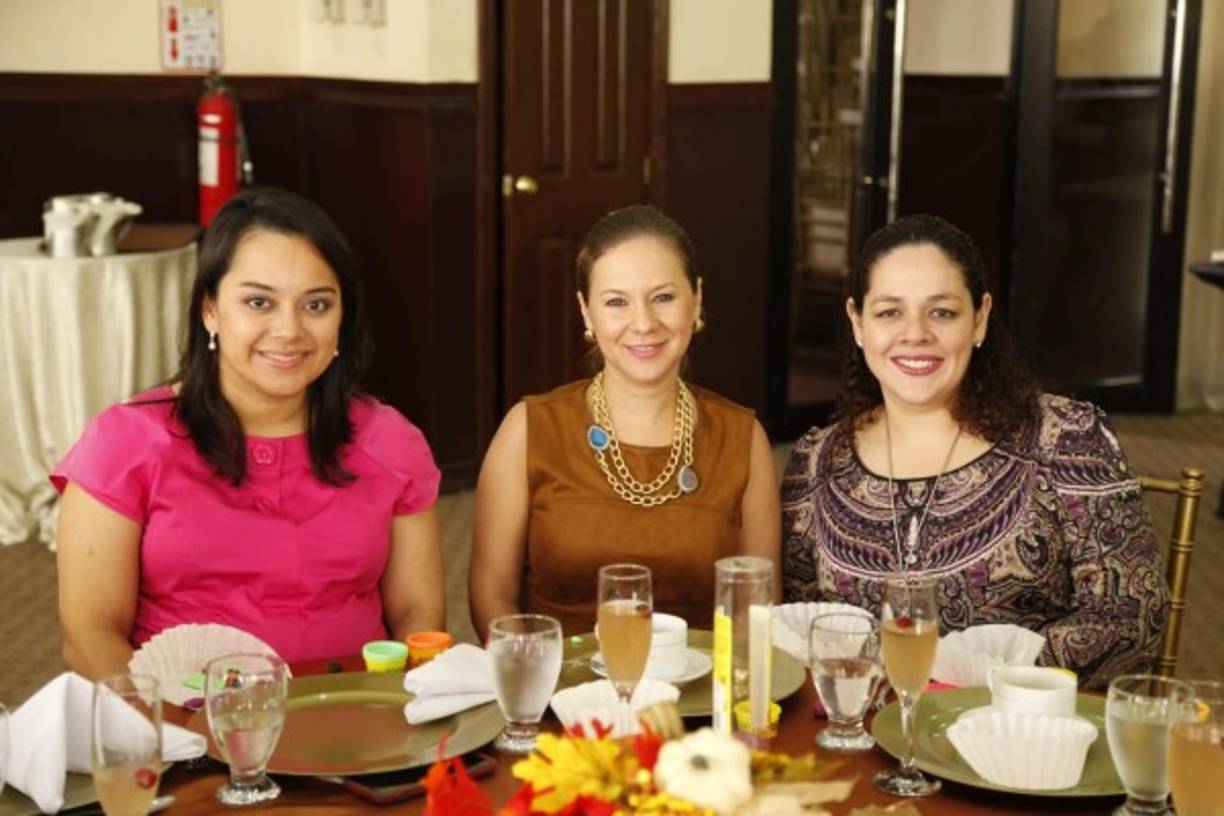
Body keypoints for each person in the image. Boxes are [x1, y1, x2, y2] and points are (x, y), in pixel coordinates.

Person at [54, 187, 444, 678]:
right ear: (210, 310)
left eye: (317, 305)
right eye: (259, 302)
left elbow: (418, 618)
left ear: (343, 318)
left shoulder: (390, 442)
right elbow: (88, 636)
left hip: (355, 725)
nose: (289, 331)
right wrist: (180, 734)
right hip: (183, 733)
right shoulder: (125, 443)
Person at [781, 214, 1168, 689]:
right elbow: (802, 629)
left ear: (980, 317)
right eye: (889, 312)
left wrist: (967, 688)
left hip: (1019, 741)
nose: (916, 333)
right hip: (865, 742)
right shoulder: (815, 461)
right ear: (858, 323)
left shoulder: (1065, 438)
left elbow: (1131, 618)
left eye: (942, 312)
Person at [470, 205, 780, 638]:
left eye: (664, 297)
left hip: (701, 696)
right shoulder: (528, 429)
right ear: (586, 312)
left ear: (697, 300)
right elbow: (492, 596)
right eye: (617, 302)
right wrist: (539, 688)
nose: (643, 323)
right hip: (558, 694)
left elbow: (755, 611)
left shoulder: (743, 438)